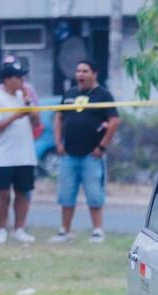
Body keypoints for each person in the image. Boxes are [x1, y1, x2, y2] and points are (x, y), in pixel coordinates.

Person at [50, 60, 120, 243]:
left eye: (85, 71)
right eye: (78, 71)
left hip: (92, 156)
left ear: (94, 73)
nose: (80, 74)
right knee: (66, 194)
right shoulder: (70, 94)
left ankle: (97, 231)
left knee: (94, 194)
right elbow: (58, 117)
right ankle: (64, 231)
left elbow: (114, 122)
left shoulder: (103, 95)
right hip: (69, 155)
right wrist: (58, 142)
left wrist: (102, 146)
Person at [0, 57, 41, 244]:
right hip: (3, 155)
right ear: (7, 79)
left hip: (25, 154)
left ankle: (19, 229)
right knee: (3, 193)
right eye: (18, 77)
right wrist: (15, 116)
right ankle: (1, 228)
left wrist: (29, 109)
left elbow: (37, 123)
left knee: (23, 192)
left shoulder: (24, 98)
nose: (22, 81)